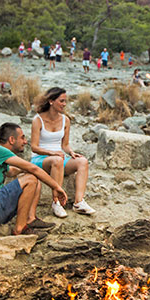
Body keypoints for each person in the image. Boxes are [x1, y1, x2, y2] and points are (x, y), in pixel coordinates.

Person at [0, 122, 66, 241]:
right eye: (22, 138)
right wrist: (56, 187)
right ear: (11, 139)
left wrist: (35, 169)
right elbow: (32, 168)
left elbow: (13, 171)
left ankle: (30, 219)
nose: (25, 142)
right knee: (31, 178)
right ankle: (20, 229)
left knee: (33, 178)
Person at [30, 87, 96, 217]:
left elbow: (64, 145)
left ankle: (79, 202)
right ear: (51, 101)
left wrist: (71, 152)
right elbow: (34, 147)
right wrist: (52, 153)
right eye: (61, 101)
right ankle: (56, 203)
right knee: (57, 160)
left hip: (59, 159)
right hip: (40, 160)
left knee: (82, 161)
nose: (64, 104)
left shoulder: (66, 120)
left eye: (65, 101)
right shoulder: (38, 120)